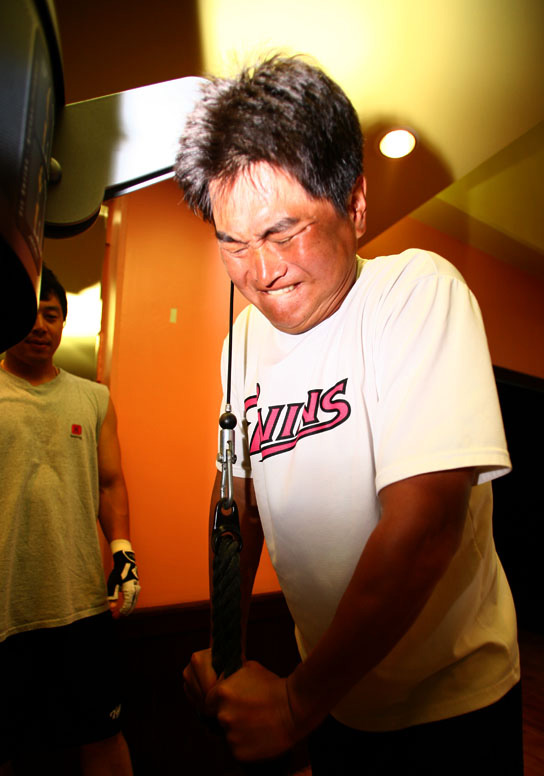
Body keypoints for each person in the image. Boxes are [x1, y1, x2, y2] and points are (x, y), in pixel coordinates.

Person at [175, 56, 522, 775]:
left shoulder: (416, 291)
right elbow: (235, 504)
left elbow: (425, 528)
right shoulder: (241, 344)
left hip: (450, 706)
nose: (261, 272)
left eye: (283, 233)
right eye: (232, 244)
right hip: (335, 702)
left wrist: (294, 705)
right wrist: (227, 647)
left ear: (355, 204)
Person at [0, 266, 140, 775]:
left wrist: (123, 554)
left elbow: (110, 483)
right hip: (5, 609)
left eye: (52, 314)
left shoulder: (93, 397)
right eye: (30, 314)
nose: (40, 326)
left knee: (103, 735)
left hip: (79, 604)